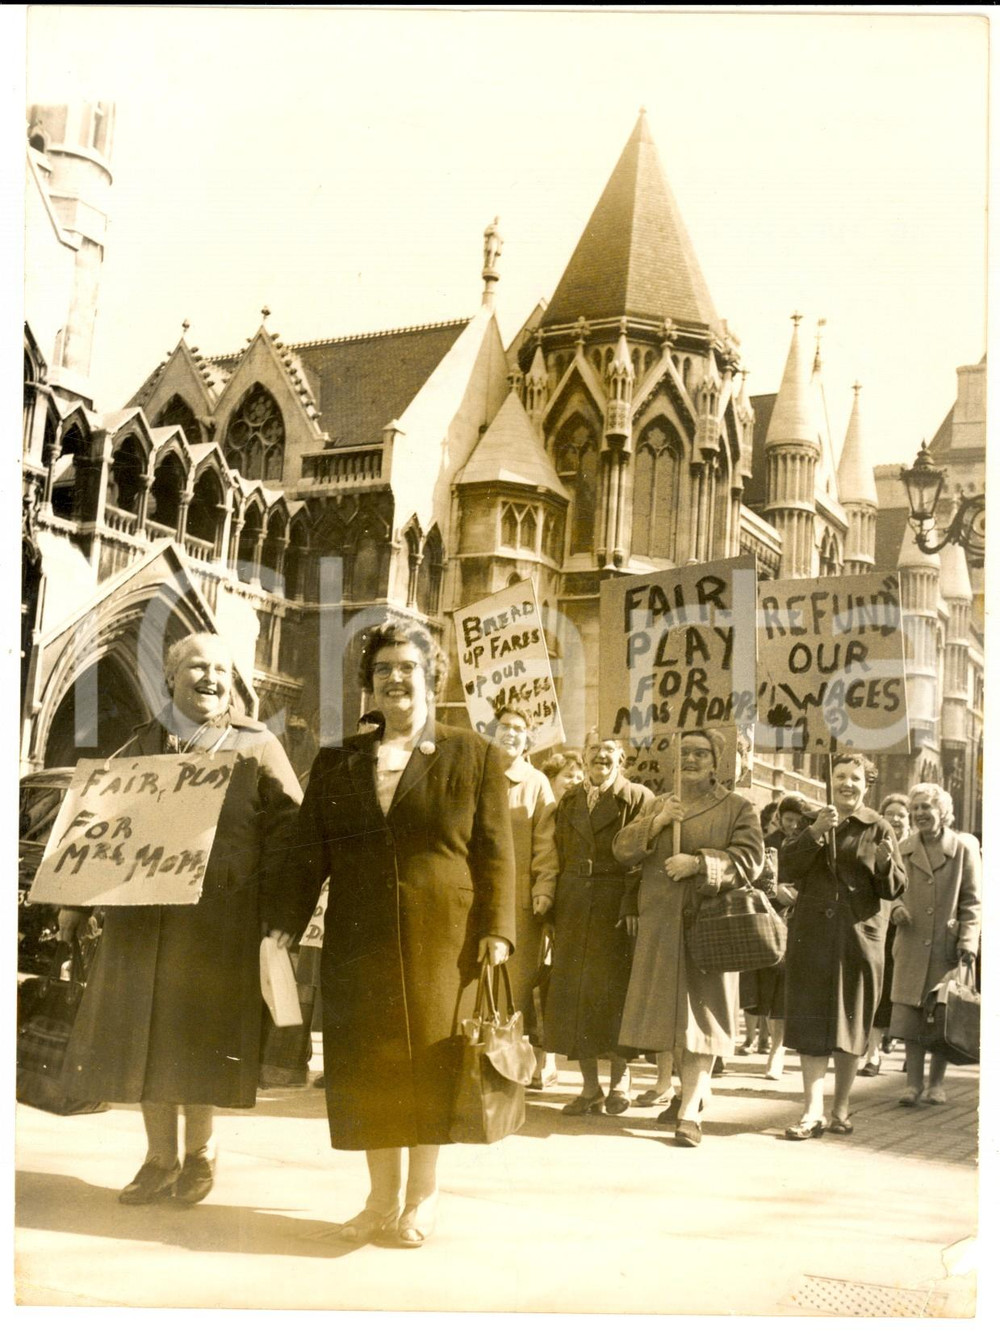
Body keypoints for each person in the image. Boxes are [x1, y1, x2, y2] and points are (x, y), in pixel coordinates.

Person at [263, 615, 515, 1249]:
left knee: (431, 1062)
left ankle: (420, 1201)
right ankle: (379, 1199)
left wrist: (499, 931)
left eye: (407, 667)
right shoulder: (337, 759)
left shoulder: (475, 754)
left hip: (444, 938)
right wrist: (282, 928)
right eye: (383, 670)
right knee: (369, 1063)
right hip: (359, 936)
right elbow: (307, 853)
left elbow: (495, 853)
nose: (395, 678)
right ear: (368, 685)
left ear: (432, 675)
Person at [59, 632, 302, 1205]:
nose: (211, 678)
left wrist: (277, 912)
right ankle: (158, 1157)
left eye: (221, 668)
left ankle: (200, 1154)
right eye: (197, 667)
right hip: (143, 920)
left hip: (220, 920)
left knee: (200, 1039)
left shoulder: (256, 745)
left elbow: (291, 831)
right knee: (146, 1038)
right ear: (171, 676)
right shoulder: (140, 744)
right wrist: (75, 898)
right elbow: (100, 829)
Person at [613, 729, 765, 1147]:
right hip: (661, 927)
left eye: (702, 753)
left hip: (708, 928)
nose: (692, 760)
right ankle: (693, 1094)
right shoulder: (663, 803)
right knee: (671, 1022)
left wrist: (699, 863)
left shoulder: (738, 807)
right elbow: (622, 850)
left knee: (702, 1019)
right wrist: (657, 824)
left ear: (717, 763)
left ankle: (688, 1113)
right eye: (685, 753)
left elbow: (751, 861)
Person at [781, 753, 905, 1140]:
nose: (847, 783)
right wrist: (816, 832)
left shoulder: (879, 826)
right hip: (814, 937)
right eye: (840, 776)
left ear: (867, 785)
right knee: (811, 1023)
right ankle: (812, 1111)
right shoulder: (814, 822)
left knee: (852, 1024)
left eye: (855, 778)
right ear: (830, 781)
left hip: (858, 939)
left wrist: (886, 865)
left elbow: (894, 887)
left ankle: (841, 1107)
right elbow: (786, 868)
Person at [543, 735, 653, 1116]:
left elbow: (641, 857)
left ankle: (620, 1082)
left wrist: (630, 903)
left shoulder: (637, 798)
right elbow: (555, 854)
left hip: (614, 906)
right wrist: (553, 912)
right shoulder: (570, 800)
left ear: (621, 760)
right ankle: (590, 1088)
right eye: (594, 751)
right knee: (576, 996)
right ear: (585, 757)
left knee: (614, 994)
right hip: (573, 905)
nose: (601, 757)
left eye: (609, 752)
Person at [889, 783, 981, 1107]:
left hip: (947, 946)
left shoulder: (963, 849)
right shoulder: (902, 847)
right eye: (915, 809)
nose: (919, 814)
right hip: (912, 943)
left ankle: (937, 1084)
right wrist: (896, 908)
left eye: (926, 807)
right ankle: (913, 1084)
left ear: (942, 811)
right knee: (912, 1017)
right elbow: (890, 890)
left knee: (943, 1016)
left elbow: (972, 901)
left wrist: (968, 941)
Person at [489, 706, 559, 1089]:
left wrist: (544, 889)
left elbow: (546, 845)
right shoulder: (478, 774)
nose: (511, 734)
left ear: (527, 738)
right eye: (504, 727)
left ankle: (509, 1072)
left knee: (513, 990)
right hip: (478, 900)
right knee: (478, 984)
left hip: (519, 905)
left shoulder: (536, 783)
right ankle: (479, 1063)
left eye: (518, 729)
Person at [742, 794, 812, 1080]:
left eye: (798, 821)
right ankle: (763, 1040)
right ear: (779, 817)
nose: (793, 826)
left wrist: (799, 893)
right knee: (765, 987)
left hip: (797, 922)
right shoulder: (766, 843)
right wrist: (774, 890)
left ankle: (777, 1051)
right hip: (767, 922)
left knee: (785, 988)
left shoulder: (808, 844)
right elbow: (752, 878)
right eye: (788, 820)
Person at [859, 793, 911, 1076]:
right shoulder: (874, 843)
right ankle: (873, 1053)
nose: (896, 819)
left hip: (911, 929)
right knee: (881, 989)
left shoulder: (914, 848)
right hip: (882, 925)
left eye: (901, 815)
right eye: (890, 814)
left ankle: (912, 1051)